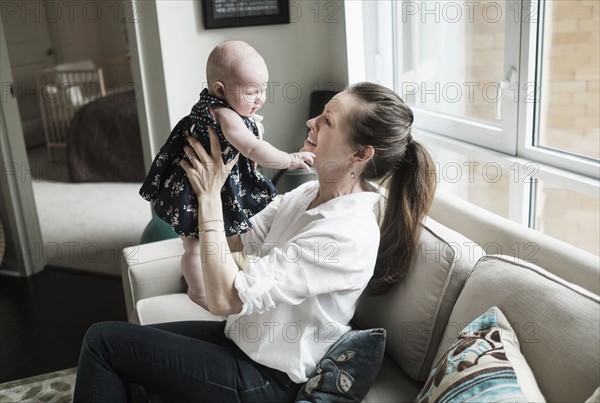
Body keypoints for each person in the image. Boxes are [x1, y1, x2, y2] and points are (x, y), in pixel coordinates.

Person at [74, 82, 436, 402]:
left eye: (327, 121)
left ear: (361, 154)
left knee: (103, 343)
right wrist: (228, 172)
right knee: (124, 347)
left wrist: (211, 198)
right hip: (241, 342)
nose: (311, 123)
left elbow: (224, 298)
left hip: (265, 381)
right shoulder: (307, 193)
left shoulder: (346, 235)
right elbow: (236, 241)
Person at [139, 40, 314, 309]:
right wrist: (290, 159)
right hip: (199, 190)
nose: (260, 99)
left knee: (196, 246)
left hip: (202, 184)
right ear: (220, 89)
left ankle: (205, 285)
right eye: (252, 92)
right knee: (197, 247)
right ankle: (199, 293)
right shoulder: (225, 115)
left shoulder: (214, 106)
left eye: (264, 90)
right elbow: (254, 148)